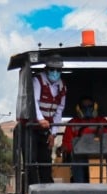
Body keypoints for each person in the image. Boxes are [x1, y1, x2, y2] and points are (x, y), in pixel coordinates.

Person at [31, 55, 67, 184]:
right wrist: (40, 119)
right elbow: (34, 102)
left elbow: (59, 110)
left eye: (58, 70)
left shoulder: (62, 87)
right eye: (52, 69)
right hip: (32, 128)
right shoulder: (37, 81)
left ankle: (46, 186)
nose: (55, 73)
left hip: (46, 130)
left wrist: (53, 133)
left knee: (46, 160)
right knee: (31, 160)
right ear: (46, 69)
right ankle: (31, 187)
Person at [62, 95, 107, 183]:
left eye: (90, 106)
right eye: (84, 107)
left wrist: (102, 134)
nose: (87, 109)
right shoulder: (73, 123)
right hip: (80, 157)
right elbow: (66, 146)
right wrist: (80, 148)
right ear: (79, 109)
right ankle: (80, 186)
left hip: (100, 155)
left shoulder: (102, 121)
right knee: (76, 160)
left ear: (95, 107)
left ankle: (104, 180)